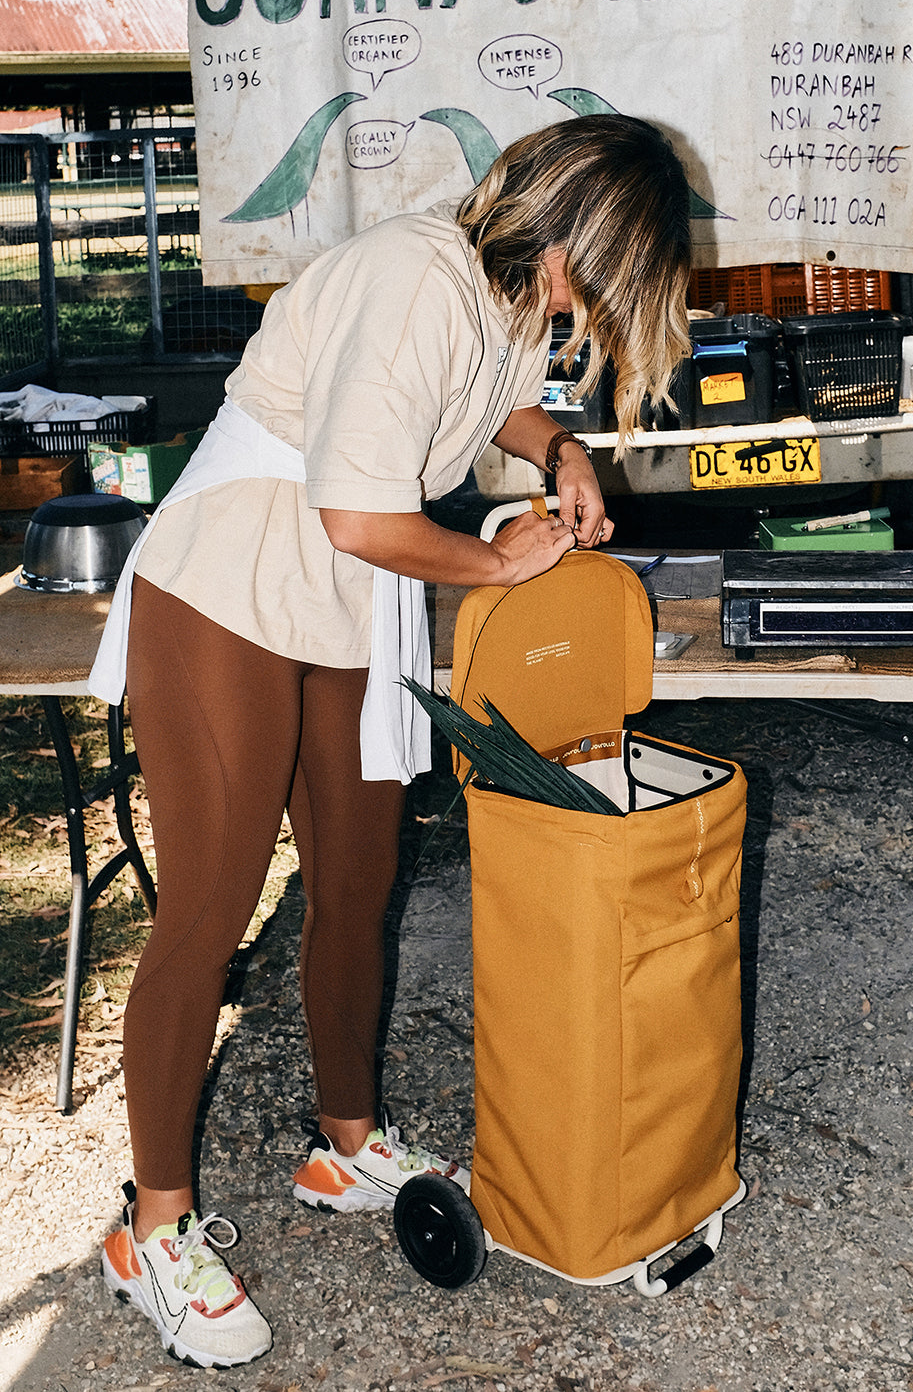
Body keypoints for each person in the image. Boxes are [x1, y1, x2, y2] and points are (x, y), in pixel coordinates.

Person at [90, 114, 692, 1369]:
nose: (611, 307)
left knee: (357, 885)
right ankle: (149, 1228)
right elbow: (364, 510)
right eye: (622, 269)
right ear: (579, 231)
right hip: (232, 579)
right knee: (207, 910)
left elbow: (477, 416)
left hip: (341, 596)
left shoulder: (508, 294)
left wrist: (560, 446)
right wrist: (492, 560)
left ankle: (346, 1143)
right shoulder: (419, 273)